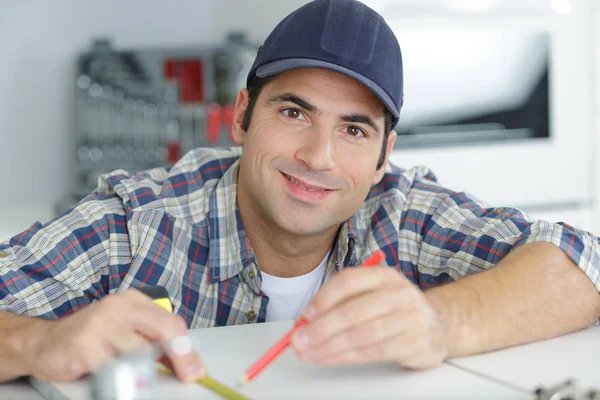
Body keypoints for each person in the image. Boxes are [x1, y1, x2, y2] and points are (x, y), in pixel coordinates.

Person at [1, 0, 599, 385]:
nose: (319, 157)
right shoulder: (137, 225)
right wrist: (40, 340)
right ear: (241, 116)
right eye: (293, 111)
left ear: (385, 155)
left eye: (354, 129)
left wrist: (443, 323)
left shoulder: (401, 212)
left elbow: (585, 262)